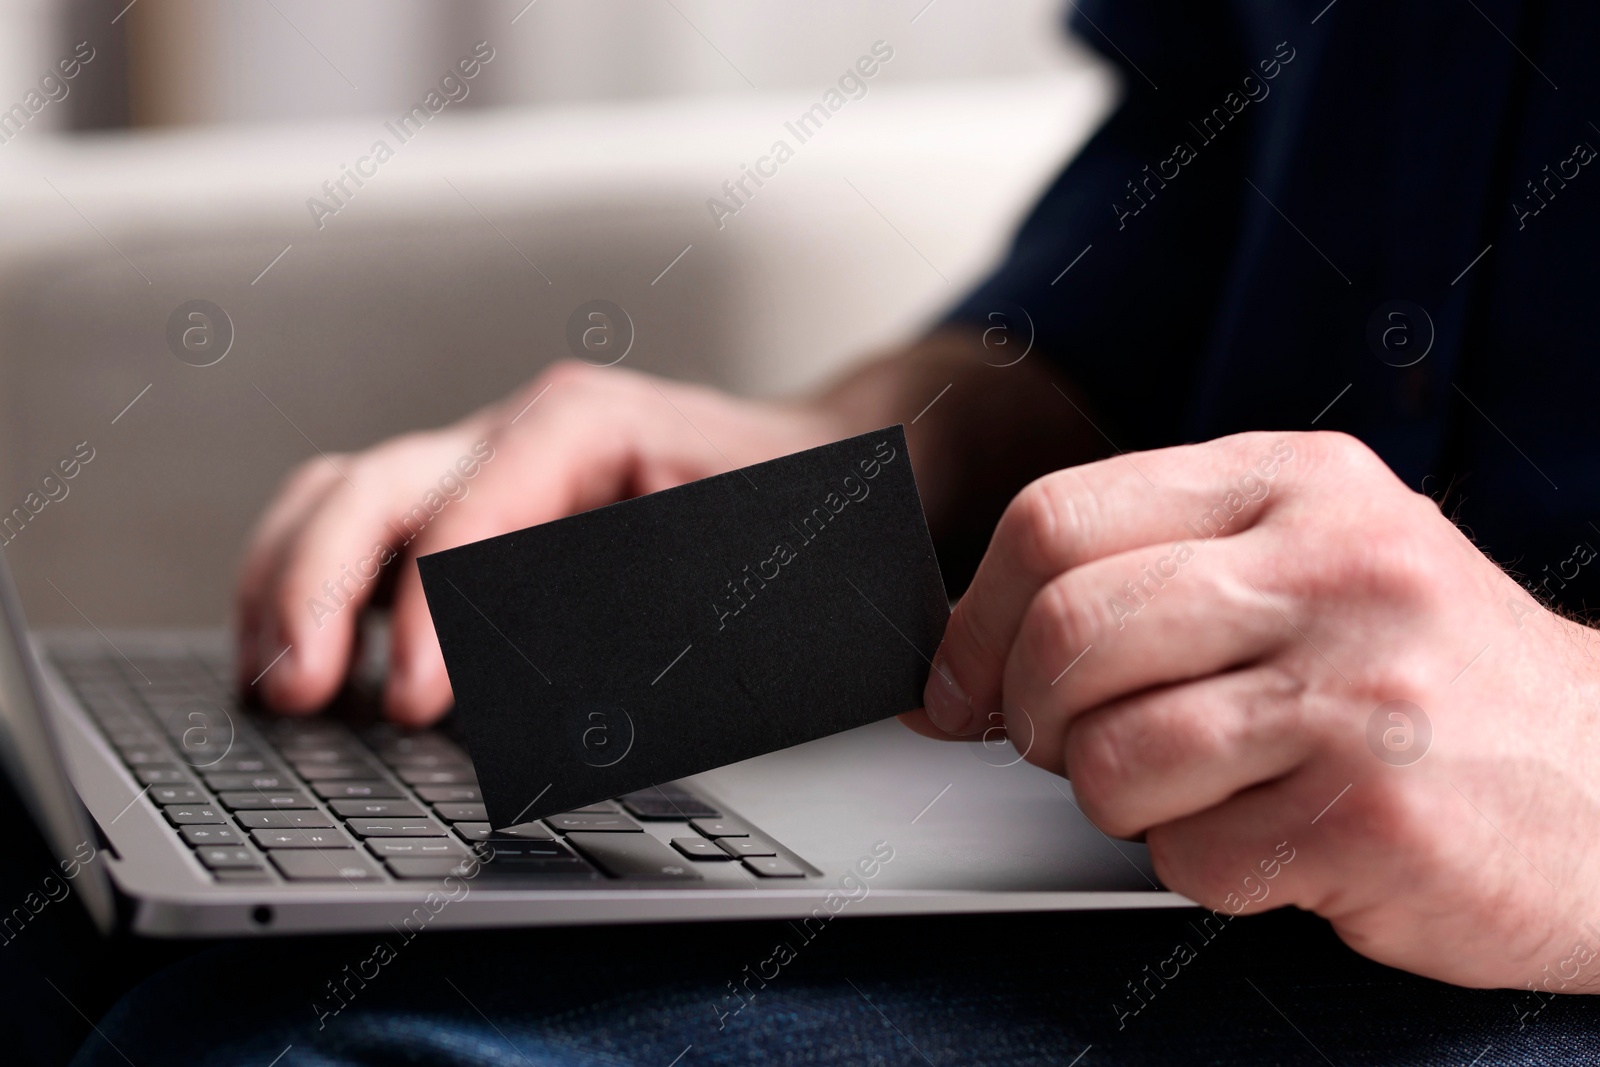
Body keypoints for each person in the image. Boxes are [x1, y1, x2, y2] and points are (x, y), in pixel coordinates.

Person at [75, 0, 1600, 1062]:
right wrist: (861, 457)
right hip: (1126, 802)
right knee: (87, 917)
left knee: (287, 1043)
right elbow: (1167, 240)